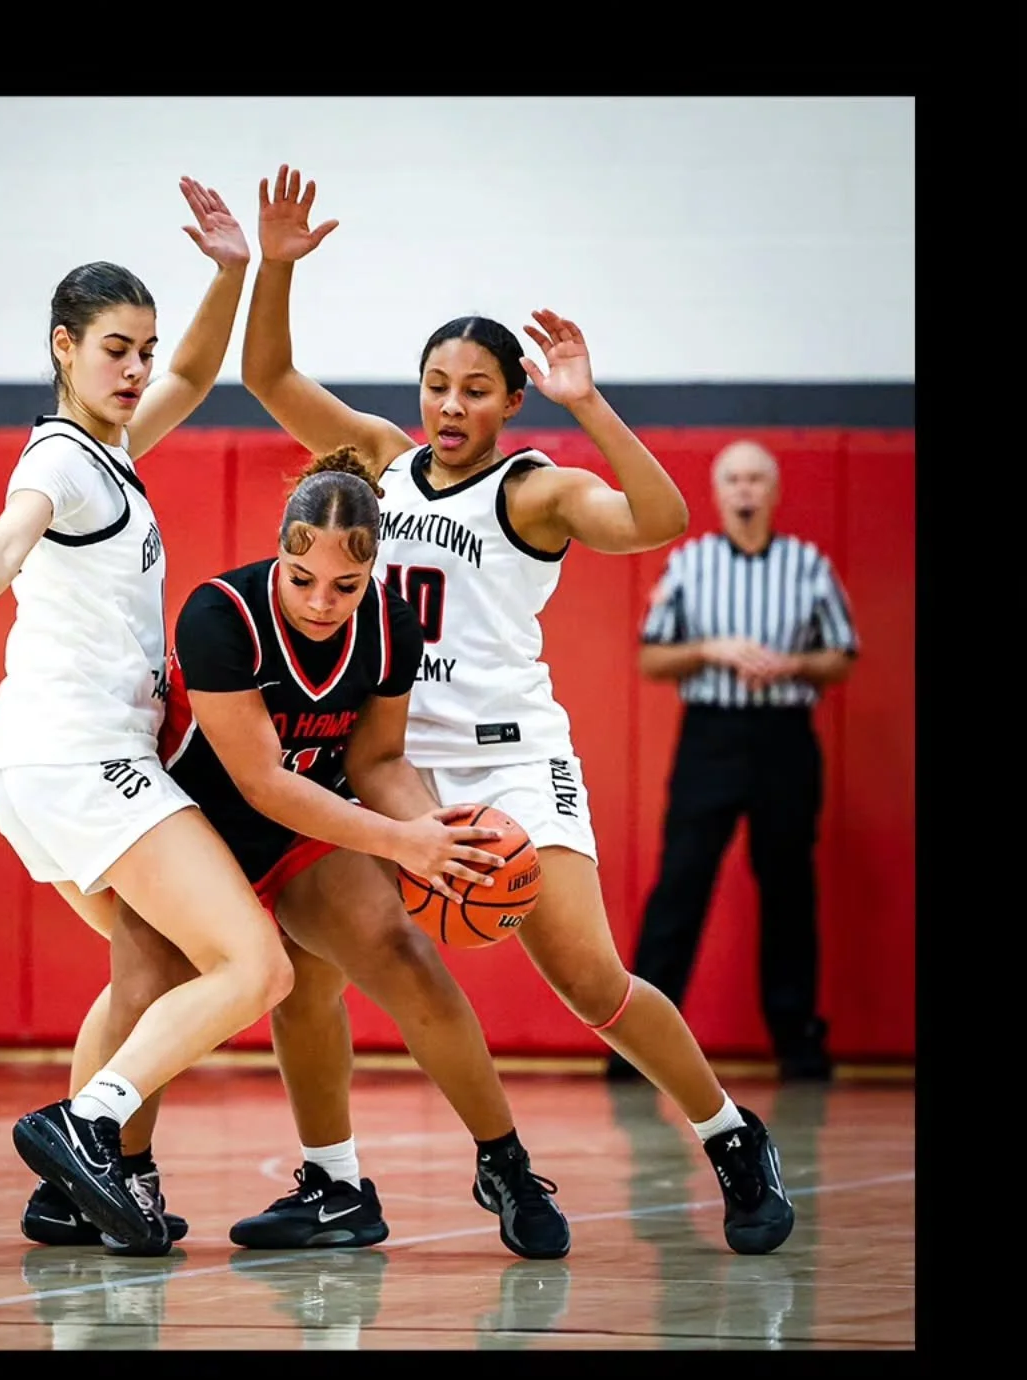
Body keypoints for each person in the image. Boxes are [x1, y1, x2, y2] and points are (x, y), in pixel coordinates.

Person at [238, 164, 795, 1256]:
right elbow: (266, 372)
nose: (450, 404)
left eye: (476, 387)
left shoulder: (535, 489)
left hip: (505, 760)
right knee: (313, 954)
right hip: (385, 760)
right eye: (436, 383)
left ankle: (731, 1136)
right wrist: (277, 270)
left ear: (510, 399)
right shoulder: (381, 465)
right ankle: (362, 1178)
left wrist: (591, 402)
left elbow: (660, 516)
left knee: (592, 981)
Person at [0, 175, 303, 1259]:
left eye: (143, 348)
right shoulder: (60, 461)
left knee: (157, 968)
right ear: (64, 346)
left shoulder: (115, 447)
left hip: (46, 766)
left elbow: (197, 372)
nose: (134, 369)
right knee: (256, 966)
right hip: (77, 762)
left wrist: (232, 271)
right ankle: (85, 1132)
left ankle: (73, 1191)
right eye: (115, 348)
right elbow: (11, 529)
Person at [165, 448, 571, 1260]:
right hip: (197, 824)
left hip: (312, 823)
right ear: (279, 549)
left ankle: (496, 1169)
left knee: (396, 954)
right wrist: (404, 841)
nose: (322, 602)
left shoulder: (392, 625)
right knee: (151, 987)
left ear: (373, 571)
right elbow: (260, 783)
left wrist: (443, 841)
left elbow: (376, 762)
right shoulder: (220, 614)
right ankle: (116, 1170)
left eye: (345, 587)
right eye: (302, 577)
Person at [607, 439, 859, 1081]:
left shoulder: (808, 566)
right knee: (681, 884)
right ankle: (638, 1047)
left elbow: (844, 655)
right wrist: (713, 650)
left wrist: (793, 664)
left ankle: (799, 1043)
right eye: (734, 481)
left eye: (755, 480)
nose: (745, 491)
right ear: (718, 494)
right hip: (711, 736)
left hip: (784, 735)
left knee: (788, 889)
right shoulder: (690, 565)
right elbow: (651, 657)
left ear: (773, 492)